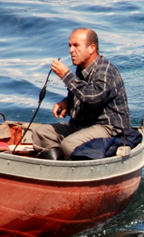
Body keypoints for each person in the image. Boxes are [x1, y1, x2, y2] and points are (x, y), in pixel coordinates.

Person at [34, 28, 131, 160]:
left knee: (69, 144)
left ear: (92, 48)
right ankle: (59, 166)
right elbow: (78, 94)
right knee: (41, 133)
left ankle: (81, 166)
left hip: (109, 128)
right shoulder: (81, 69)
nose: (71, 50)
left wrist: (66, 75)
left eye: (76, 45)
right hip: (83, 125)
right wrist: (66, 102)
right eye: (70, 46)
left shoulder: (105, 70)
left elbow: (93, 98)